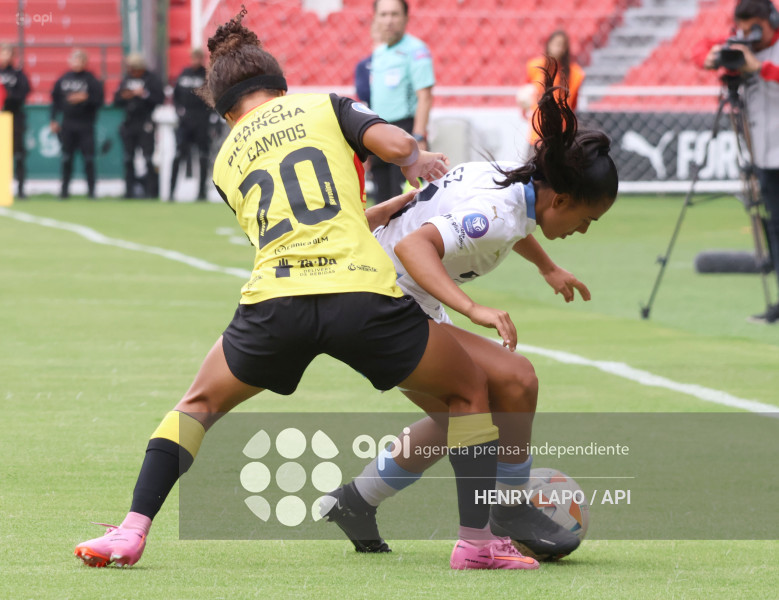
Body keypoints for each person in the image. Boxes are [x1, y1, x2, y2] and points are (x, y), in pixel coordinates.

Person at [73, 8, 539, 572]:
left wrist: (373, 211)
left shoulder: (226, 159)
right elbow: (391, 145)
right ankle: (477, 544)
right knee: (468, 393)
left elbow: (293, 222)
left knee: (197, 405)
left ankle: (130, 531)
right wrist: (417, 157)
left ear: (225, 108)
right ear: (278, 84)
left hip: (276, 303)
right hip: (362, 298)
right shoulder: (325, 104)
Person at [322, 62, 618, 560]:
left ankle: (355, 501)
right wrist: (472, 308)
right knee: (516, 379)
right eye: (586, 219)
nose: (584, 230)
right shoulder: (500, 216)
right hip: (386, 301)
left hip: (372, 293)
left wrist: (547, 267)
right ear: (561, 197)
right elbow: (419, 246)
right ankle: (504, 511)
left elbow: (500, 222)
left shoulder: (508, 185)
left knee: (458, 419)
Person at [693, 0, 779, 323]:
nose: (749, 34)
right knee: (774, 224)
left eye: (755, 27)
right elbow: (700, 49)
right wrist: (712, 56)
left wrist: (760, 68)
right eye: (743, 28)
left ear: (771, 19)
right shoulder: (741, 44)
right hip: (763, 153)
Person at [369, 0, 435, 203]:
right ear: (376, 18)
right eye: (384, 14)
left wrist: (418, 135)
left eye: (395, 14)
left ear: (406, 18)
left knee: (406, 200)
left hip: (404, 130)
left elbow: (425, 95)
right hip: (378, 131)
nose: (389, 20)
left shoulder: (416, 50)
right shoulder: (379, 52)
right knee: (382, 199)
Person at [517, 30, 586, 149]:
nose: (558, 48)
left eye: (561, 45)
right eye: (556, 44)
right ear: (548, 44)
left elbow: (573, 104)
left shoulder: (575, 74)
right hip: (538, 131)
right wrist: (524, 108)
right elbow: (527, 90)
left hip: (561, 131)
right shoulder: (535, 67)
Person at [50, 49, 104, 199]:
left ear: (85, 62)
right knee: (67, 158)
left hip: (86, 124)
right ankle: (64, 191)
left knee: (88, 159)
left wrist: (84, 99)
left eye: (80, 60)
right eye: (74, 60)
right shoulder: (63, 79)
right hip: (68, 124)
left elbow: (99, 100)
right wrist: (53, 119)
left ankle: (92, 191)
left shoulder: (91, 80)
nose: (77, 63)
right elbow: (55, 101)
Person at [113, 53, 164, 198]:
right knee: (128, 158)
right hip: (129, 122)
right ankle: (129, 191)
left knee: (148, 158)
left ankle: (152, 192)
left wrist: (144, 94)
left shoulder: (151, 79)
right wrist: (126, 96)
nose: (131, 70)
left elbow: (159, 98)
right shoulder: (127, 79)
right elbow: (117, 99)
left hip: (145, 121)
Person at [170, 48, 213, 201]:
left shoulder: (207, 76)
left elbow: (213, 99)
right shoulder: (184, 74)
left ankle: (202, 193)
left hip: (202, 121)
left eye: (198, 58)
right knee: (178, 155)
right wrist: (178, 111)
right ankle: (171, 192)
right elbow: (175, 96)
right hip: (185, 122)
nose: (195, 61)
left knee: (202, 156)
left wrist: (210, 118)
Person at [0, 44, 30, 198]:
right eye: (3, 53)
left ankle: (20, 189)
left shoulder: (18, 75)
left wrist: (7, 95)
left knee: (18, 154)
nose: (5, 56)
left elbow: (23, 94)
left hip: (13, 118)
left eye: (8, 53)